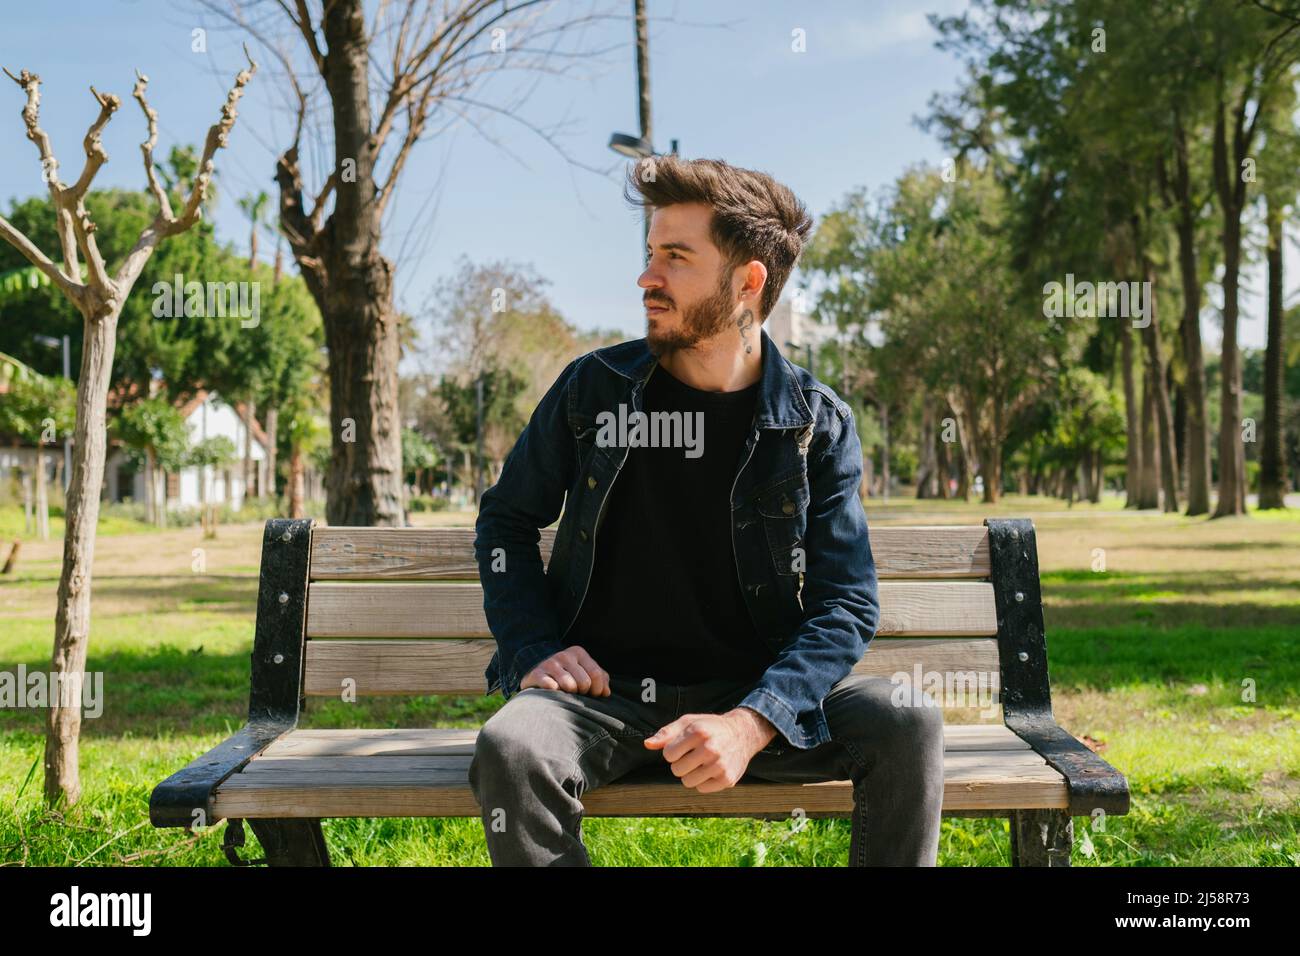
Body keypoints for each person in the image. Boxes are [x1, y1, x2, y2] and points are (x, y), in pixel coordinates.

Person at [469, 155, 944, 866]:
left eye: (675, 257)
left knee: (906, 717)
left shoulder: (817, 423)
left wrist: (752, 723)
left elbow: (846, 603)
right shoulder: (592, 392)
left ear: (747, 283)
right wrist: (535, 647)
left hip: (757, 700)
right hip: (604, 699)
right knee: (511, 745)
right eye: (650, 253)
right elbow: (505, 521)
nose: (646, 277)